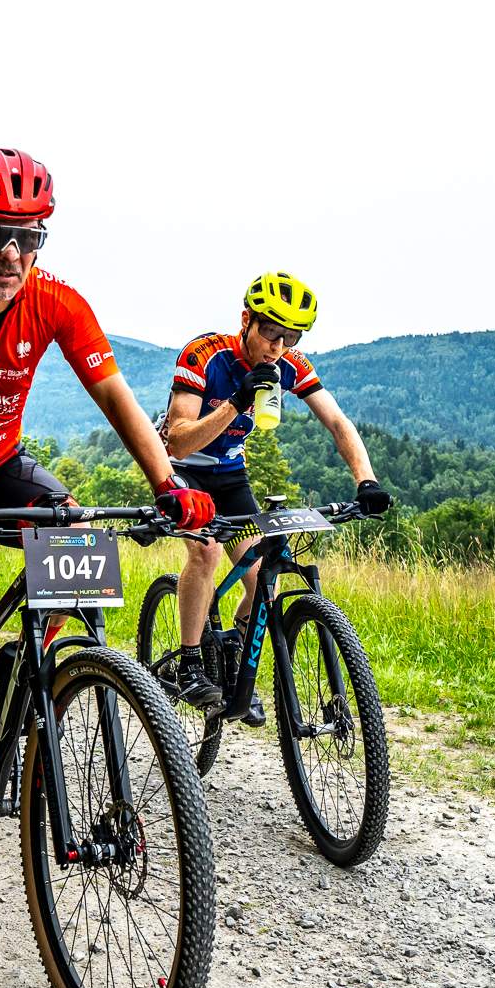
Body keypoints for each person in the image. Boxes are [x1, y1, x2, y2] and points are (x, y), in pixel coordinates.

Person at [0, 146, 213, 892]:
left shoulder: (56, 300)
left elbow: (115, 395)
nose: (12, 254)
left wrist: (168, 480)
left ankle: (31, 670)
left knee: (78, 544)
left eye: (29, 238)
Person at [160, 272, 392, 722]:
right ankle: (189, 664)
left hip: (230, 474)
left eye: (291, 337)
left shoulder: (290, 364)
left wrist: (366, 480)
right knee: (206, 552)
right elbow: (178, 441)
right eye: (270, 332)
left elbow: (337, 422)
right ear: (246, 320)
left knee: (261, 574)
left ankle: (234, 659)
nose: (277, 347)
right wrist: (236, 400)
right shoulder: (205, 354)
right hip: (182, 470)